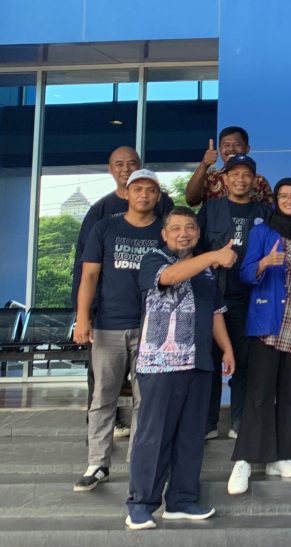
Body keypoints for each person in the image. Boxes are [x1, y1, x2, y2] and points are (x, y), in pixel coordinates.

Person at [125, 207, 237, 530]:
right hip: (160, 364)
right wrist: (213, 255)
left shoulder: (206, 271)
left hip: (199, 363)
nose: (184, 233)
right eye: (176, 228)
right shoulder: (154, 259)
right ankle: (141, 505)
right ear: (164, 234)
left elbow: (216, 312)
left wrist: (227, 348)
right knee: (154, 436)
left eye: (190, 228)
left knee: (191, 436)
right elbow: (170, 278)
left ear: (198, 233)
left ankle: (182, 500)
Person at [72, 146, 174, 439]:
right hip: (108, 320)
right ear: (111, 170)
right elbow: (87, 271)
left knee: (148, 396)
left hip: (151, 323)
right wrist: (83, 315)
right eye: (119, 164)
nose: (126, 168)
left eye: (132, 163)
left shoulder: (164, 219)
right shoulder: (101, 216)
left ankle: (141, 458)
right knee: (103, 391)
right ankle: (98, 452)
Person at [227, 179, 291, 495]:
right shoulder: (262, 232)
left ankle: (282, 457)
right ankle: (244, 460)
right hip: (267, 321)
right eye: (284, 196)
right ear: (275, 200)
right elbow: (245, 272)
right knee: (260, 393)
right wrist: (264, 262)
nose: (290, 200)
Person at [195, 154, 271, 440]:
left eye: (246, 174)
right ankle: (208, 422)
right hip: (213, 296)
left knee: (244, 360)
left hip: (248, 297)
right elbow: (195, 249)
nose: (240, 179)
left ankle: (239, 421)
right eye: (234, 174)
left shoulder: (265, 212)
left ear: (254, 180)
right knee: (210, 359)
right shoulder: (210, 209)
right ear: (224, 178)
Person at [184, 126, 273, 207]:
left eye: (237, 144)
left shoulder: (260, 181)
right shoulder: (210, 178)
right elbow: (191, 200)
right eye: (226, 145)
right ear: (219, 149)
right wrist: (204, 165)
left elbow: (268, 214)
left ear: (247, 149)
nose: (231, 149)